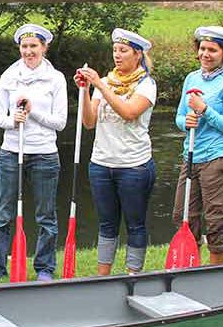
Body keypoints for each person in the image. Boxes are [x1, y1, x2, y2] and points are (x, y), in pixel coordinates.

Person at [0, 24, 68, 282]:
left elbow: (61, 122)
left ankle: (44, 268)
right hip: (11, 151)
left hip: (44, 154)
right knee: (3, 213)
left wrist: (33, 113)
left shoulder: (55, 78)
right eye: (24, 46)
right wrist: (13, 121)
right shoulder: (9, 76)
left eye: (34, 46)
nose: (28, 51)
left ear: (44, 47)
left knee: (46, 215)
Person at [73, 28, 158, 276]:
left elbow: (129, 113)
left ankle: (133, 274)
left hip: (134, 166)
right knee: (106, 223)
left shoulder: (146, 85)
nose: (117, 56)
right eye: (114, 51)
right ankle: (103, 276)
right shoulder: (106, 82)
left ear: (137, 54)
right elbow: (89, 122)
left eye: (123, 51)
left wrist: (99, 83)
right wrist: (84, 91)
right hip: (101, 163)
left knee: (135, 223)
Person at [172, 26, 223, 265]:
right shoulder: (191, 79)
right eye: (202, 48)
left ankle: (213, 273)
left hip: (220, 159)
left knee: (216, 220)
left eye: (212, 50)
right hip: (191, 157)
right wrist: (187, 121)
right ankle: (191, 268)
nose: (205, 54)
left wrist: (205, 110)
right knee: (184, 216)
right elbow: (180, 117)